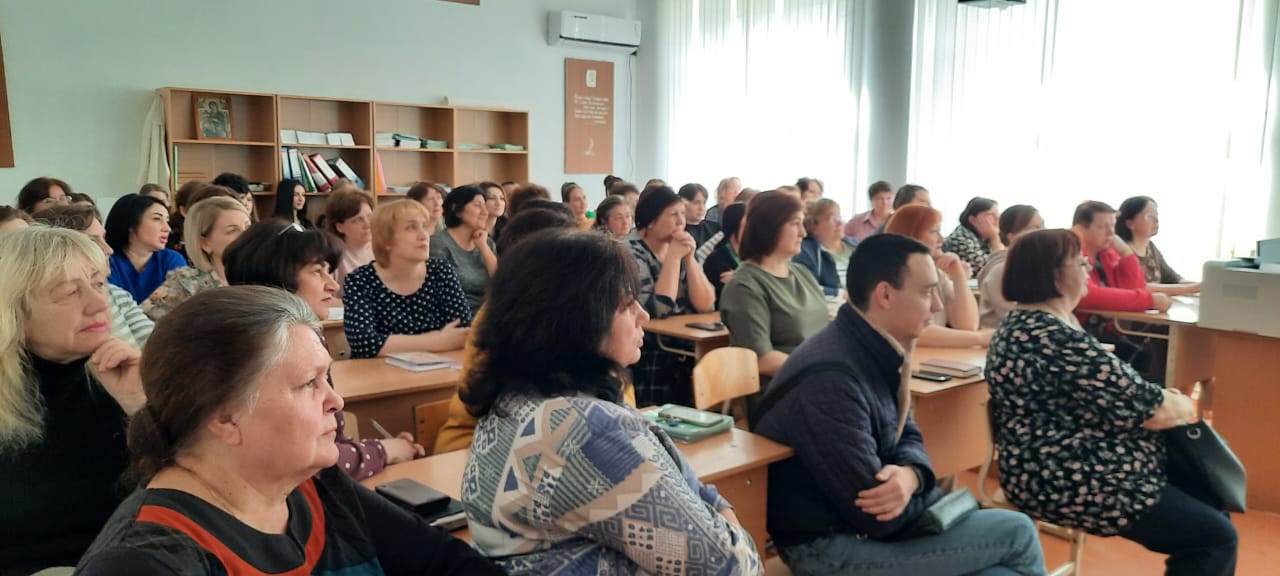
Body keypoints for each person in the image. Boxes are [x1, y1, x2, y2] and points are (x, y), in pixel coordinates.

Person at [73, 287, 501, 575]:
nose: (336, 402)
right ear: (223, 417)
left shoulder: (316, 486)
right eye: (308, 384)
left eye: (327, 379)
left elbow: (448, 564)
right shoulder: (142, 562)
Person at [459, 230, 761, 575]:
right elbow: (733, 567)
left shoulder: (512, 398)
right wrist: (728, 519)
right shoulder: (588, 430)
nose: (642, 315)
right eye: (625, 304)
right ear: (576, 320)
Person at [754, 233, 1046, 576]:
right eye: (926, 292)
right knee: (1017, 532)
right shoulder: (831, 379)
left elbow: (905, 431)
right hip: (826, 548)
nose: (937, 306)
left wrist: (911, 476)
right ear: (885, 295)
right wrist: (931, 494)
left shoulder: (871, 346)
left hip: (857, 530)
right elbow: (877, 513)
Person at [986, 229, 1236, 576]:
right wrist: (1179, 402)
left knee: (1208, 504)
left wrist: (1159, 404)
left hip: (1053, 462)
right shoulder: (1053, 338)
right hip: (1068, 476)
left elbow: (1126, 399)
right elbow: (1152, 409)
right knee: (1214, 535)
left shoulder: (1024, 324)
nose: (1088, 266)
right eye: (1079, 261)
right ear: (1054, 276)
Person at [434, 203, 643, 454]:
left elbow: (621, 411)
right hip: (478, 449)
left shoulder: (593, 331)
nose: (642, 315)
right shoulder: (509, 321)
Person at [224, 220, 423, 478]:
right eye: (318, 272)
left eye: (329, 271)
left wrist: (374, 449)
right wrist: (383, 451)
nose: (333, 284)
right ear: (278, 277)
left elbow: (326, 447)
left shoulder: (305, 334)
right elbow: (312, 465)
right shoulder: (270, 352)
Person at [0, 227, 145, 574]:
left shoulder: (128, 379)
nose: (99, 303)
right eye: (69, 292)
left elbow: (198, 492)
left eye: (98, 284)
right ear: (15, 314)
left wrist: (141, 407)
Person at [721, 192, 829, 402]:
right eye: (795, 224)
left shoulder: (801, 273)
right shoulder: (744, 285)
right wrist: (825, 371)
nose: (803, 233)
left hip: (819, 383)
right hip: (780, 394)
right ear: (770, 227)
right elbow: (763, 360)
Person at [344, 200, 471, 358]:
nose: (423, 235)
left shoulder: (441, 271)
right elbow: (363, 343)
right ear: (386, 241)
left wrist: (390, 344)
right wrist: (437, 341)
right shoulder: (360, 280)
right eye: (411, 227)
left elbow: (462, 332)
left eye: (424, 226)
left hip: (437, 372)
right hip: (378, 376)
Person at [629, 186, 716, 406]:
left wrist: (689, 260)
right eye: (673, 215)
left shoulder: (678, 247)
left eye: (682, 215)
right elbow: (659, 307)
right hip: (646, 347)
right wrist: (674, 259)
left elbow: (706, 304)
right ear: (650, 221)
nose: (681, 222)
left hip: (681, 343)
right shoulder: (630, 251)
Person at [32, 204, 156, 349]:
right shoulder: (48, 307)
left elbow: (157, 346)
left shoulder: (116, 294)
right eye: (92, 241)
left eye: (103, 238)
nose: (109, 250)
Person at [885, 205, 991, 347]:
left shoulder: (936, 273)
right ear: (911, 235)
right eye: (934, 232)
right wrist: (979, 338)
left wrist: (958, 276)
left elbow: (967, 324)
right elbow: (913, 330)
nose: (942, 239)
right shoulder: (891, 275)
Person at [141, 197, 250, 320]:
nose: (247, 235)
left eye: (248, 227)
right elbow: (141, 326)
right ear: (204, 243)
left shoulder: (263, 275)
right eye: (232, 230)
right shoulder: (186, 284)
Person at [104, 193, 187, 303]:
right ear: (130, 224)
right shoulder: (107, 262)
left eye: (167, 221)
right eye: (157, 219)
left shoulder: (172, 259)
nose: (167, 229)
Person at [431, 185, 497, 314]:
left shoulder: (487, 242)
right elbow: (440, 291)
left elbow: (499, 281)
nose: (485, 212)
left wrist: (483, 247)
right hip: (455, 315)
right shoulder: (438, 243)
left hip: (488, 313)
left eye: (485, 205)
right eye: (477, 205)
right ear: (457, 210)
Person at [1116, 196, 1200, 295]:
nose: (1156, 220)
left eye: (1156, 215)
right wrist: (1191, 288)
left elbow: (1172, 279)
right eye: (1149, 216)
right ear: (1130, 223)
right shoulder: (1120, 249)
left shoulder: (1150, 247)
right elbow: (1140, 287)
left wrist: (1205, 285)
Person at [977, 205, 1043, 329]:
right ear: (1012, 237)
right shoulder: (1002, 270)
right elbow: (1013, 316)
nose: (1042, 233)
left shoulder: (1029, 265)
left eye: (1042, 227)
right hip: (1004, 339)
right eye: (1034, 228)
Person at [794, 198, 856, 296]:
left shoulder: (855, 245)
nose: (840, 223)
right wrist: (841, 294)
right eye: (833, 219)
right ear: (813, 227)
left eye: (840, 217)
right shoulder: (805, 251)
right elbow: (807, 287)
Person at [325, 188, 375, 293]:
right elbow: (324, 298)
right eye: (357, 220)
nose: (367, 224)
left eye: (370, 217)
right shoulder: (331, 256)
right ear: (339, 227)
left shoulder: (387, 249)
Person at [942, 197, 1004, 277]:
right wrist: (995, 237)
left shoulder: (985, 238)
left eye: (997, 214)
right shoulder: (960, 239)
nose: (997, 218)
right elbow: (988, 270)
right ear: (973, 220)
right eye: (990, 215)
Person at [703, 202, 747, 304]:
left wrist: (742, 279)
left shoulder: (758, 255)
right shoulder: (716, 259)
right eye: (746, 225)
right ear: (734, 225)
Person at [680, 182, 721, 247]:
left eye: (704, 203)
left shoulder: (715, 227)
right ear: (683, 203)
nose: (701, 208)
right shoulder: (678, 231)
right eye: (696, 203)